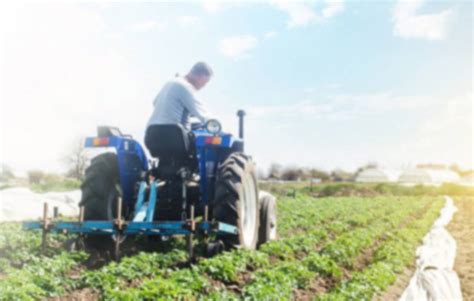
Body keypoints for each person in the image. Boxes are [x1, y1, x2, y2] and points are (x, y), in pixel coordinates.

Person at [145, 62, 213, 157]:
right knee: (202, 145)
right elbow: (203, 115)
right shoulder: (186, 87)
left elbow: (155, 102)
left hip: (151, 134)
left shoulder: (170, 82)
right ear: (200, 76)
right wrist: (218, 128)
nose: (203, 86)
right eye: (205, 83)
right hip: (173, 137)